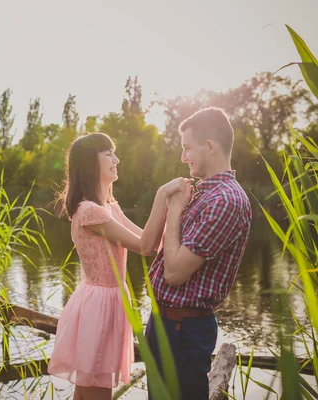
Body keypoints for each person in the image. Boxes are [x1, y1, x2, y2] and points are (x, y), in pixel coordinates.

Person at [48, 132, 191, 400]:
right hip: (98, 306)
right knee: (97, 392)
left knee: (87, 390)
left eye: (114, 152)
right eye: (108, 153)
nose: (117, 159)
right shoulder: (90, 211)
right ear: (91, 162)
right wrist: (162, 195)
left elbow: (152, 241)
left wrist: (181, 219)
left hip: (110, 300)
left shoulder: (109, 207)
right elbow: (144, 248)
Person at [144, 107, 252, 400]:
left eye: (187, 148)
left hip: (184, 330)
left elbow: (175, 273)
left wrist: (176, 208)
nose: (183, 157)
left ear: (210, 146)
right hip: (166, 324)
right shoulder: (204, 193)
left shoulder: (225, 201)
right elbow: (169, 251)